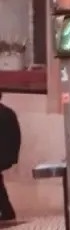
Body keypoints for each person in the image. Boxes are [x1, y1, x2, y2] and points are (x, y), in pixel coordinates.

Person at [0, 92, 20, 221]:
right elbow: (17, 137)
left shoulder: (5, 113)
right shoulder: (8, 112)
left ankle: (7, 211)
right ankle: (7, 211)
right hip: (6, 155)